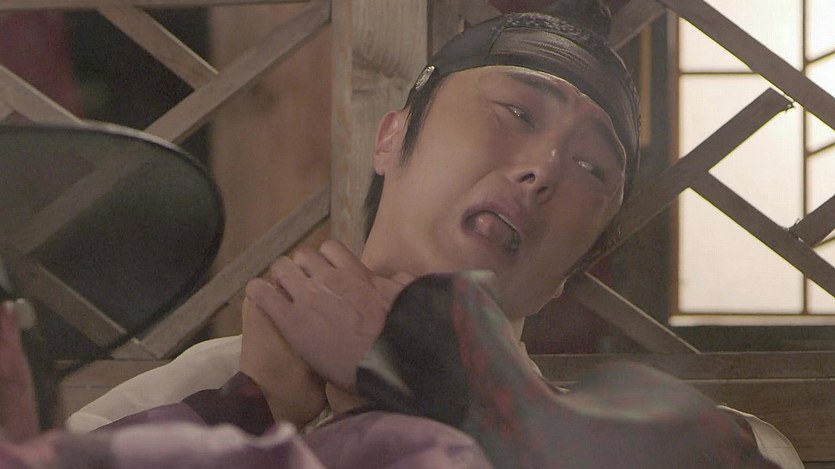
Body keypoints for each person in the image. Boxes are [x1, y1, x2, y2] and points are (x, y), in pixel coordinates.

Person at [3, 1, 802, 467]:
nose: (543, 169)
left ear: (574, 270)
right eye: (515, 112)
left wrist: (441, 374)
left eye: (592, 167)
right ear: (391, 137)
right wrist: (251, 407)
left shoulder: (670, 439)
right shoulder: (200, 391)